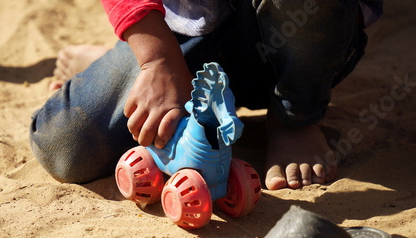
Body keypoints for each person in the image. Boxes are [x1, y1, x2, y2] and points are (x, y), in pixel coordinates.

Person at [30, 0, 383, 190]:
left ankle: (294, 118)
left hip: (298, 37)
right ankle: (125, 54)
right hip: (179, 26)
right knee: (66, 147)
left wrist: (297, 113)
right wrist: (155, 56)